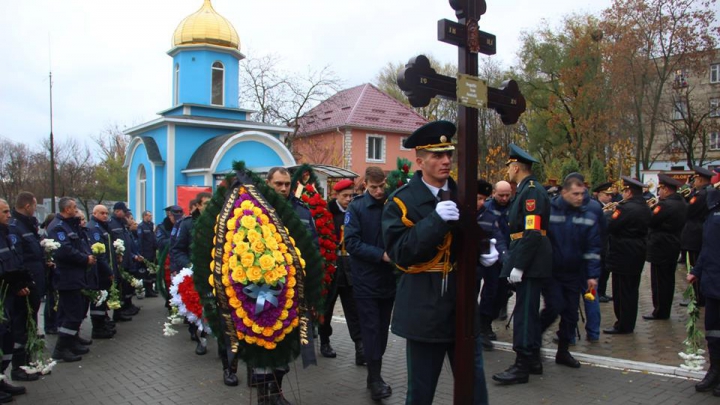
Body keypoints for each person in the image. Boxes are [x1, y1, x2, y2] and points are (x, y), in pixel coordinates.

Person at [382, 121, 488, 405]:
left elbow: (472, 236)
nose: (446, 161)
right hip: (424, 307)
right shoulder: (401, 202)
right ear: (420, 161)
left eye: (448, 154)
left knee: (474, 387)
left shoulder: (463, 195)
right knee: (421, 391)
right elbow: (400, 252)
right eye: (437, 155)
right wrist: (435, 221)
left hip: (462, 304)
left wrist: (486, 252)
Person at [250, 166, 318, 404]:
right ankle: (262, 396)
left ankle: (277, 391)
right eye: (278, 183)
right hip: (261, 290)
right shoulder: (252, 211)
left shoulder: (302, 211)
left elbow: (313, 248)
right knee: (262, 342)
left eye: (287, 184)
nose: (283, 188)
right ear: (268, 183)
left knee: (286, 344)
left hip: (292, 290)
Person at [492, 144, 552, 385]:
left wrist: (520, 265)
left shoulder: (531, 192)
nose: (508, 170)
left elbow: (533, 232)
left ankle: (522, 364)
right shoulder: (526, 190)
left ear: (516, 167)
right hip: (528, 256)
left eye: (509, 166)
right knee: (527, 310)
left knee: (525, 313)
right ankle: (533, 360)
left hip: (531, 259)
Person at [344, 168, 396, 401]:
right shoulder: (356, 207)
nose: (378, 191)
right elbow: (351, 243)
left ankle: (373, 375)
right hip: (365, 280)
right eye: (374, 187)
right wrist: (381, 255)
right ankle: (375, 379)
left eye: (381, 186)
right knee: (371, 330)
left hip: (388, 280)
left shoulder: (393, 204)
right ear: (365, 185)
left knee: (382, 330)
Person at [540, 174, 601, 368]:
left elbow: (593, 248)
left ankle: (563, 351)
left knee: (571, 314)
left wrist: (592, 275)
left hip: (575, 273)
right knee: (555, 306)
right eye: (575, 193)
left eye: (582, 193)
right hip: (551, 272)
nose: (580, 197)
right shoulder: (549, 210)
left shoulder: (587, 215)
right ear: (564, 192)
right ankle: (533, 337)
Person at [319, 178, 364, 365]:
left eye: (351, 195)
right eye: (344, 196)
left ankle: (360, 346)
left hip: (350, 266)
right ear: (335, 195)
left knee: (353, 309)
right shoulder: (327, 213)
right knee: (327, 308)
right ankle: (325, 341)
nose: (348, 199)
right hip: (332, 265)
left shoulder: (355, 212)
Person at [48, 197, 94, 362]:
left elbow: (79, 244)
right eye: (74, 207)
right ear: (67, 209)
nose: (76, 210)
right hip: (67, 276)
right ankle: (61, 348)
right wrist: (85, 259)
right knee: (72, 313)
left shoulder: (69, 224)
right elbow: (64, 251)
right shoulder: (58, 227)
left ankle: (71, 342)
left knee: (74, 311)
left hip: (75, 275)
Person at [603, 177, 651, 335]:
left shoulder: (626, 208)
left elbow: (610, 225)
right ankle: (628, 323)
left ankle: (623, 324)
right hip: (637, 250)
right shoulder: (644, 206)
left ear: (629, 192)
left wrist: (608, 214)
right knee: (631, 289)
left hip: (623, 252)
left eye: (624, 190)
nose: (622, 194)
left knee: (621, 291)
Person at [8, 192, 47, 381]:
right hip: (23, 286)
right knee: (20, 326)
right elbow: (17, 260)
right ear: (27, 206)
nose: (35, 209)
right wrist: (20, 283)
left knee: (30, 325)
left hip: (33, 283)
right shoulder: (15, 228)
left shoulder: (27, 226)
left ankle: (29, 361)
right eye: (34, 205)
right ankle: (18, 367)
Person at [170, 192, 212, 356]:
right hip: (195, 272)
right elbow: (177, 249)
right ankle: (201, 339)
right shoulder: (187, 224)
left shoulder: (219, 221)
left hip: (213, 272)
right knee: (198, 307)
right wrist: (188, 265)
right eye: (206, 204)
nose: (209, 207)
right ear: (199, 205)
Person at [688, 187, 720, 396]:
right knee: (713, 331)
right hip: (712, 282)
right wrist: (696, 271)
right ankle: (715, 370)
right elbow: (707, 247)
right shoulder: (713, 214)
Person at [643, 173, 687, 320]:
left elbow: (651, 220)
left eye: (660, 189)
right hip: (674, 245)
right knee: (668, 280)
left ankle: (659, 310)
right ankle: (665, 309)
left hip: (661, 246)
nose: (659, 192)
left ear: (667, 190)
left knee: (659, 281)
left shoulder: (664, 205)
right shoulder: (681, 202)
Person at [0, 198, 31, 399]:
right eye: (4, 212)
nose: (9, 215)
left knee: (6, 338)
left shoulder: (5, 234)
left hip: (9, 295)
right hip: (3, 295)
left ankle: (1, 379)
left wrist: (20, 283)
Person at [475, 179, 506, 351]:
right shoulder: (459, 212)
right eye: (478, 198)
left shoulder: (488, 215)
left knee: (492, 292)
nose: (480, 202)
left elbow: (498, 236)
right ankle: (474, 329)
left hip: (488, 261)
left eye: (483, 199)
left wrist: (504, 257)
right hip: (469, 264)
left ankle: (484, 325)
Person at [681, 166, 713, 308]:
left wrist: (684, 199)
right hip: (703, 231)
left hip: (695, 234)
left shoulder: (700, 195)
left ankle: (699, 298)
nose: (693, 183)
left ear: (700, 180)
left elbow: (687, 211)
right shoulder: (711, 192)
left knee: (695, 266)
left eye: (695, 180)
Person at [87, 205, 117, 339]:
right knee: (99, 299)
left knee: (104, 298)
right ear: (95, 213)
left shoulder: (102, 227)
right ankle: (98, 328)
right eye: (102, 213)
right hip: (100, 271)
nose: (105, 215)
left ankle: (103, 322)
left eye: (106, 213)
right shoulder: (94, 228)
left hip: (105, 268)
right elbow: (99, 254)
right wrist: (108, 270)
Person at [108, 202, 142, 320]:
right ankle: (119, 311)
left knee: (125, 286)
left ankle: (123, 309)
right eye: (124, 211)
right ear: (117, 211)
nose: (126, 214)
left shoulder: (122, 224)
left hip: (127, 261)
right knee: (120, 288)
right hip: (119, 263)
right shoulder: (111, 224)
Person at [486, 181, 512, 322]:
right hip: (492, 254)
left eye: (507, 195)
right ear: (494, 193)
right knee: (491, 288)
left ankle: (502, 304)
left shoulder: (514, 207)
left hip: (508, 251)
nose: (504, 198)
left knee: (504, 287)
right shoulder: (487, 207)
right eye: (501, 195)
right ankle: (487, 318)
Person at [592, 182, 615, 303]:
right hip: (598, 242)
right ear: (600, 194)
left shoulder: (607, 206)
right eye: (607, 194)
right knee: (600, 269)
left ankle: (602, 291)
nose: (610, 197)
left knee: (606, 269)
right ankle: (597, 293)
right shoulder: (596, 205)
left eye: (611, 194)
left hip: (606, 242)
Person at [137, 210, 158, 297]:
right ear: (144, 216)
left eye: (151, 215)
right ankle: (148, 291)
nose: (150, 217)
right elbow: (140, 241)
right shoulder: (141, 226)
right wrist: (141, 254)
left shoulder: (150, 225)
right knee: (146, 273)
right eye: (149, 215)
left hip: (151, 252)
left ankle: (151, 289)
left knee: (151, 272)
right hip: (145, 252)